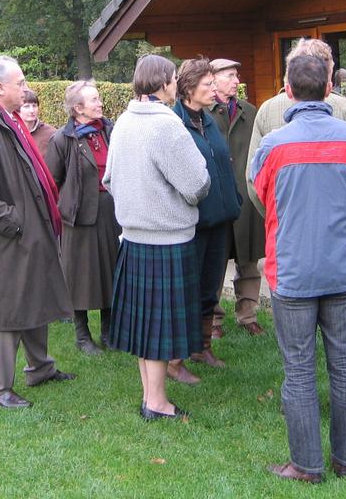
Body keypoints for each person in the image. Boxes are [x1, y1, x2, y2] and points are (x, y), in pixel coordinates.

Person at [249, 54, 346, 483]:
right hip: (343, 267)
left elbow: (262, 195)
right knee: (345, 362)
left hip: (293, 270)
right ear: (328, 89)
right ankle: (344, 460)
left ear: (287, 90)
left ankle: (306, 465)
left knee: (299, 369)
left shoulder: (272, 145)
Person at [0, 56, 74, 409]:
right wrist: (18, 223)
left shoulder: (7, 121)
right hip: (4, 238)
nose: (26, 88)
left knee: (34, 296)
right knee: (5, 310)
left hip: (27, 231)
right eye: (20, 82)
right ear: (0, 88)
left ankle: (40, 368)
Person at [104, 54, 210, 420]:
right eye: (174, 78)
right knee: (159, 328)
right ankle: (158, 402)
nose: (176, 83)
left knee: (145, 326)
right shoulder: (167, 126)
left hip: (133, 239)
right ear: (165, 83)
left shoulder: (122, 122)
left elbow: (109, 180)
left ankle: (151, 399)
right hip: (167, 239)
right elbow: (196, 184)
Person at [248, 38, 346, 216]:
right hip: (344, 229)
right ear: (327, 70)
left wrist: (278, 214)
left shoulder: (266, 110)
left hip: (287, 231)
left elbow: (254, 179)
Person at [172, 58, 240, 382]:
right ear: (189, 87)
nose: (214, 90)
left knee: (210, 287)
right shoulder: (175, 122)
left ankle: (202, 347)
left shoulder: (209, 121)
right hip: (193, 223)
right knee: (188, 289)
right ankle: (175, 358)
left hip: (220, 219)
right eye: (208, 85)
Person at [45, 80, 120, 355]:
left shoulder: (110, 131)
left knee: (110, 272)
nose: (100, 103)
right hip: (78, 218)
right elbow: (51, 182)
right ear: (78, 108)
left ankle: (110, 332)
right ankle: (82, 335)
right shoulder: (63, 139)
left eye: (98, 98)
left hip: (110, 212)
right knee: (80, 277)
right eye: (94, 100)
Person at [208, 58, 266, 338]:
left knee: (249, 260)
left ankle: (248, 315)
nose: (236, 80)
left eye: (236, 75)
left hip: (245, 198)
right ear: (214, 79)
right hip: (216, 199)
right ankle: (213, 321)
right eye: (230, 75)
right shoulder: (203, 114)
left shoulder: (249, 112)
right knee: (215, 261)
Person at [19, 89, 57, 155]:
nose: (32, 110)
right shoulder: (12, 132)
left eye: (34, 106)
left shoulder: (51, 134)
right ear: (17, 110)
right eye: (26, 106)